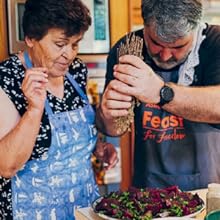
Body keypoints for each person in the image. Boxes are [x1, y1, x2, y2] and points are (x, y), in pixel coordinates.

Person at [0, 0, 118, 219]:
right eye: (60, 44)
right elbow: (6, 165)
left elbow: (70, 136)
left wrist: (96, 147)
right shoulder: (7, 78)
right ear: (31, 39)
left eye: (75, 44)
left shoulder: (76, 71)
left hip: (81, 207)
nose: (69, 54)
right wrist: (34, 110)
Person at [97, 0, 220, 191]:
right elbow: (114, 130)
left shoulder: (215, 43)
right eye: (156, 43)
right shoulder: (128, 48)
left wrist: (161, 93)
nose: (165, 56)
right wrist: (107, 114)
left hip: (207, 188)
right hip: (147, 187)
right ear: (144, 26)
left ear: (194, 30)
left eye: (178, 47)